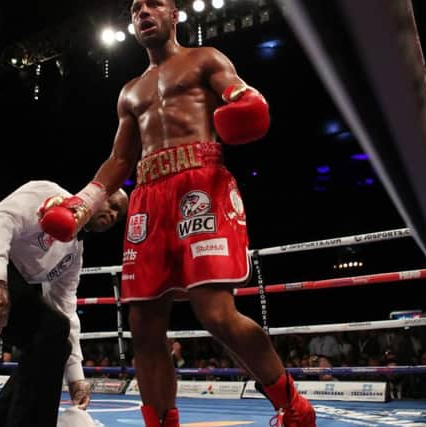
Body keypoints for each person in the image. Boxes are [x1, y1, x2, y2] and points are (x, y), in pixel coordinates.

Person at [37, 1, 316, 426]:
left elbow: (239, 94)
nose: (143, 12)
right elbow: (119, 159)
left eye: (154, 4)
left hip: (199, 187)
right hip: (148, 199)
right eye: (135, 9)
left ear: (174, 15)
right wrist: (83, 202)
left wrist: (248, 102)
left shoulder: (205, 58)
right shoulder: (130, 89)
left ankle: (292, 407)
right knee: (143, 325)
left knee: (215, 313)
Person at [0, 180, 128, 427]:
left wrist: (76, 378)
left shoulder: (73, 254)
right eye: (111, 204)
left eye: (118, 214)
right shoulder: (48, 192)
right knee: (51, 331)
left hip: (5, 279)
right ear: (93, 194)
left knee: (48, 343)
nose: (113, 214)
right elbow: (1, 223)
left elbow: (65, 307)